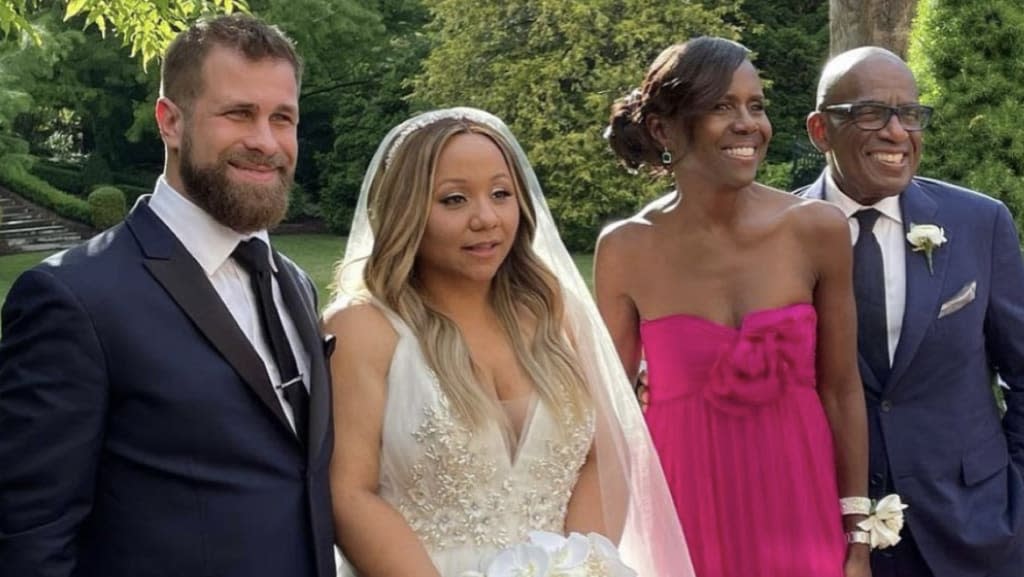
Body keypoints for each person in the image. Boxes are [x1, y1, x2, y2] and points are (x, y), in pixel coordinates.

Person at [0, 14, 335, 577]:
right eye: (238, 114)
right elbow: (29, 539)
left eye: (283, 118)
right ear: (170, 122)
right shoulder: (73, 298)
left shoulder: (293, 284)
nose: (266, 141)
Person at [323, 107, 693, 577]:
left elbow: (606, 456)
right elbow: (349, 493)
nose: (487, 218)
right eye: (454, 200)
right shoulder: (362, 329)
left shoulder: (553, 312)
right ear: (406, 209)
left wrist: (577, 566)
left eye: (501, 194)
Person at [597, 36, 871, 577]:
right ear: (662, 129)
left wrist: (857, 538)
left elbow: (840, 389)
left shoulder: (815, 230)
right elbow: (609, 410)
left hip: (800, 504)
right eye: (722, 106)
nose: (749, 123)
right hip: (682, 511)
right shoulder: (625, 248)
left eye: (757, 105)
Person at [798, 46, 1024, 577]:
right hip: (826, 535)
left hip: (974, 528)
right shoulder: (777, 239)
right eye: (871, 113)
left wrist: (1015, 491)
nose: (897, 132)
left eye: (910, 114)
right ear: (820, 130)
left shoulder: (979, 223)